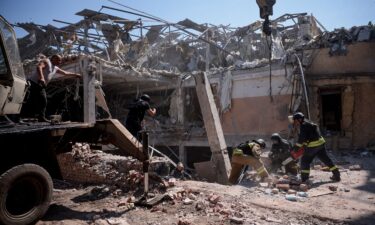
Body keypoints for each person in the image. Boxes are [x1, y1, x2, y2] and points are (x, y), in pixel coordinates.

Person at [24, 54, 80, 122]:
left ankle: (39, 117)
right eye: (58, 60)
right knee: (40, 100)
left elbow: (65, 73)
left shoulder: (55, 68)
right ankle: (36, 117)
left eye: (60, 60)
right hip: (34, 83)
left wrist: (75, 75)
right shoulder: (46, 61)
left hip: (40, 85)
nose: (60, 61)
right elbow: (39, 67)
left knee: (40, 100)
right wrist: (41, 78)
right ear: (53, 59)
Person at [291, 112, 340, 183]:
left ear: (299, 119)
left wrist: (295, 148)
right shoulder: (310, 123)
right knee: (326, 160)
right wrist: (304, 145)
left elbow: (302, 139)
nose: (295, 122)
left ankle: (304, 179)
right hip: (321, 144)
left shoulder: (303, 126)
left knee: (305, 161)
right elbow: (309, 137)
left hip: (313, 146)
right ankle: (337, 175)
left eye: (295, 120)